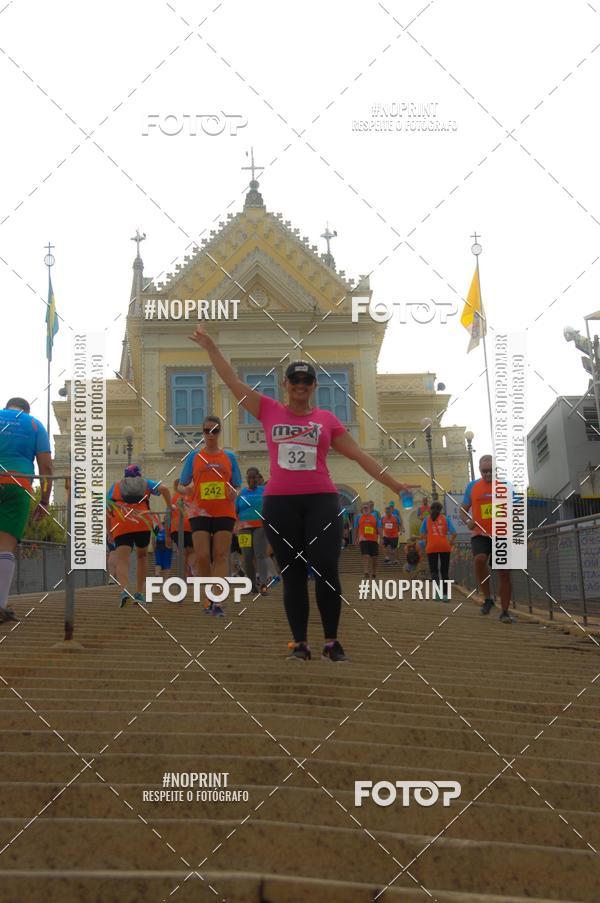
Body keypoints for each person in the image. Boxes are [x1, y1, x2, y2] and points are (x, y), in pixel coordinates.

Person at [189, 326, 414, 662]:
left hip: (321, 500)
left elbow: (359, 455)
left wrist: (396, 485)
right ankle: (300, 643)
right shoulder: (268, 410)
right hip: (279, 503)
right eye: (294, 381)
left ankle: (331, 641)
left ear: (313, 387)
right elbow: (233, 383)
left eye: (305, 382)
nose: (299, 386)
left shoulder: (326, 420)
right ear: (286, 385)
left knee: (326, 567)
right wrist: (211, 348)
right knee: (292, 573)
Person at [178, 415, 242, 617]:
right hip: (199, 512)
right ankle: (209, 596)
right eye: (207, 431)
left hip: (224, 510)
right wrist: (186, 490)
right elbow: (181, 484)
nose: (211, 434)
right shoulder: (194, 457)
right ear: (202, 433)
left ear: (220, 432)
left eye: (215, 430)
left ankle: (217, 599)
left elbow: (238, 484)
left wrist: (235, 492)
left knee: (221, 555)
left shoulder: (229, 457)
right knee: (203, 556)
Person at [0, 398, 52, 623]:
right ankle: (0, 607)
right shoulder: (34, 425)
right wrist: (44, 500)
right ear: (26, 409)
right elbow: (46, 467)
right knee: (5, 546)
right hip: (16, 484)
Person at [107, 464, 171, 607]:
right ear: (139, 474)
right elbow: (165, 489)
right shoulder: (146, 483)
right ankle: (139, 594)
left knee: (122, 559)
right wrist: (169, 506)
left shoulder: (115, 486)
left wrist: (109, 530)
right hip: (142, 522)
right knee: (142, 557)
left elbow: (107, 508)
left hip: (122, 523)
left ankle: (124, 590)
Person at [461, 454, 514, 623]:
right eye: (484, 471)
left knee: (504, 573)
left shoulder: (506, 486)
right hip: (480, 534)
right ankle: (488, 598)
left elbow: (517, 511)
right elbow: (462, 510)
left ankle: (505, 612)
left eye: (491, 471)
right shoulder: (472, 486)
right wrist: (468, 521)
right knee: (479, 559)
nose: (488, 475)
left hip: (502, 534)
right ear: (479, 470)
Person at [236, 467, 269, 594]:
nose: (252, 480)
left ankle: (264, 584)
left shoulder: (264, 491)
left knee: (260, 554)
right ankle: (251, 584)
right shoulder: (241, 493)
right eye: (249, 478)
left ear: (258, 478)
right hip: (243, 528)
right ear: (246, 479)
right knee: (247, 556)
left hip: (260, 526)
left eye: (254, 477)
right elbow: (235, 510)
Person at [420, 501, 456, 600]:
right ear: (441, 510)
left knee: (434, 571)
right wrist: (451, 542)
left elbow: (422, 534)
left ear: (430, 509)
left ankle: (437, 594)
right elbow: (454, 533)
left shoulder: (426, 520)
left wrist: (427, 540)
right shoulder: (446, 519)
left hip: (431, 547)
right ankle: (445, 595)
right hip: (445, 546)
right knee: (444, 571)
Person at [169, 479, 195, 577]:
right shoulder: (192, 496)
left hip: (176, 527)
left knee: (182, 552)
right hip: (191, 525)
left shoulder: (173, 498)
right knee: (192, 550)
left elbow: (168, 516)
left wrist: (167, 535)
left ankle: (183, 574)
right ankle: (190, 571)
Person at [356, 502, 381, 578]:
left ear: (370, 509)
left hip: (373, 540)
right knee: (366, 556)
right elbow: (356, 528)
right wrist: (355, 539)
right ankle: (366, 572)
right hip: (363, 539)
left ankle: (374, 572)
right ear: (362, 510)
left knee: (375, 557)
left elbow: (379, 527)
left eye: (367, 508)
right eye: (364, 508)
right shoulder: (358, 517)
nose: (366, 509)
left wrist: (382, 538)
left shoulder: (375, 517)